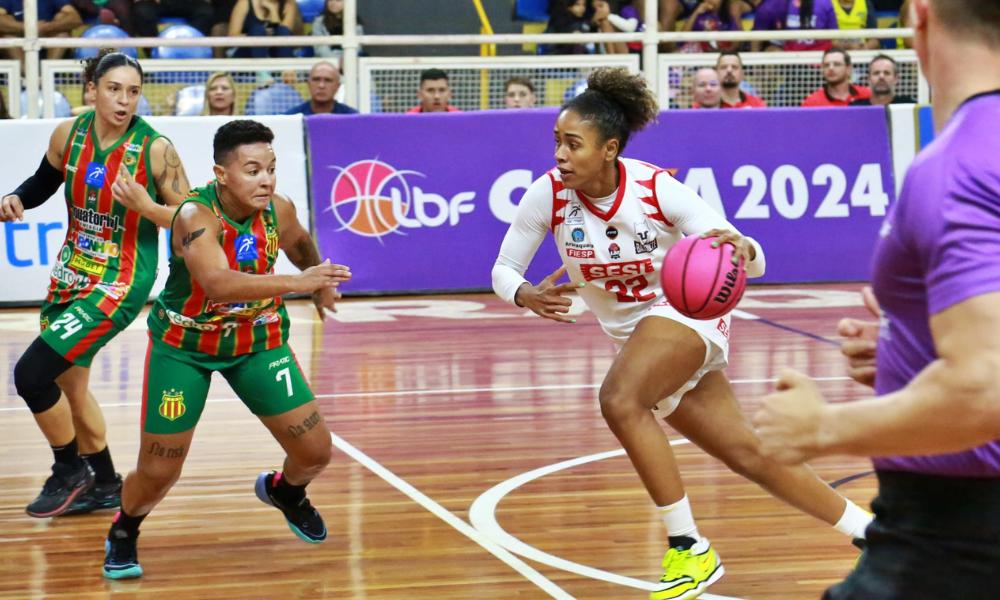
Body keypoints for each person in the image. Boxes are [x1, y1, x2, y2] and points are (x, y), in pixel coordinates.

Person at [492, 67, 872, 600]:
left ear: (609, 148)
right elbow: (504, 269)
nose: (559, 154)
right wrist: (523, 293)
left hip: (687, 313)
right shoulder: (548, 196)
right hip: (637, 340)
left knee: (620, 399)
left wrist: (741, 249)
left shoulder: (654, 189)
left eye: (573, 144)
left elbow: (750, 257)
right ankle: (872, 532)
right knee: (747, 453)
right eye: (556, 141)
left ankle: (689, 547)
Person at [755, 1, 1000, 598]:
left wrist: (824, 428)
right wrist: (910, 352)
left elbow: (986, 385)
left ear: (919, 14)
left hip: (952, 542)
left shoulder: (959, 163)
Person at [101, 119, 351, 579]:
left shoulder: (279, 208)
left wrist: (318, 279)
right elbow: (216, 284)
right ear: (221, 174)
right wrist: (301, 282)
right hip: (185, 347)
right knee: (159, 471)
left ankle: (286, 492)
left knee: (316, 453)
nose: (266, 179)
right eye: (253, 169)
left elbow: (297, 243)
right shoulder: (195, 215)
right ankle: (125, 527)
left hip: (257, 342)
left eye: (271, 168)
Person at [0, 49, 192, 519]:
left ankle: (69, 469)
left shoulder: (155, 149)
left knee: (31, 375)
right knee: (71, 389)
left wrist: (148, 206)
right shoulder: (69, 133)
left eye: (133, 92)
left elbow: (193, 220)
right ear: (92, 90)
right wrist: (16, 196)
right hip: (71, 273)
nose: (125, 100)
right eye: (114, 89)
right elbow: (45, 180)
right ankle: (106, 482)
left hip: (119, 281)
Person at [0, 0, 82, 61]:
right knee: (7, 31)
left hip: (48, 41)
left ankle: (47, 72)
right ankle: (25, 76)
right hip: (21, 41)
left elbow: (75, 19)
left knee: (62, 21)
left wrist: (47, 26)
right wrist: (27, 28)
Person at [751, 0, 840, 52]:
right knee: (772, 52)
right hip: (789, 55)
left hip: (819, 55)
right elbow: (756, 40)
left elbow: (833, 35)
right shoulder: (773, 5)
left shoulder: (825, 3)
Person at [229, 0, 300, 59]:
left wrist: (273, 10)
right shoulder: (245, 2)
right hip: (248, 53)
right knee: (258, 30)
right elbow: (232, 36)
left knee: (283, 31)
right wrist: (256, 35)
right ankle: (262, 72)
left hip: (275, 53)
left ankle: (287, 72)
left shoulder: (288, 6)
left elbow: (284, 34)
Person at [802, 48, 872, 107]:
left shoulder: (867, 95)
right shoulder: (812, 102)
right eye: (826, 65)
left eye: (837, 64)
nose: (831, 68)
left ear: (849, 69)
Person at [285, 62, 357, 115]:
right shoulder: (292, 118)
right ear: (308, 84)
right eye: (316, 79)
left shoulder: (351, 118)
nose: (321, 86)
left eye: (328, 80)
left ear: (337, 86)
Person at [850, 55, 915, 105]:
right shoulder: (855, 108)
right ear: (868, 79)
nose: (881, 77)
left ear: (896, 79)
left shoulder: (908, 106)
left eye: (887, 73)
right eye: (876, 73)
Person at [133, 0, 213, 40]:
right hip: (157, 3)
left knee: (206, 11)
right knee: (141, 11)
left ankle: (190, 47)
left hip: (187, 2)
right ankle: (154, 52)